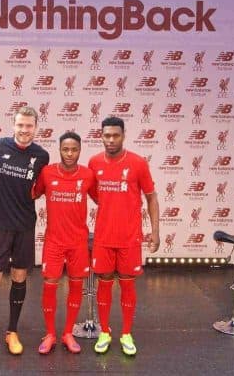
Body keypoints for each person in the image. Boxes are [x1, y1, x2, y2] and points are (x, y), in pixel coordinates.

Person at [0, 106, 49, 361]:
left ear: (36, 127)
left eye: (29, 126)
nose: (24, 130)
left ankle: (12, 332)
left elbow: (42, 187)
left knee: (19, 278)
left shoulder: (42, 156)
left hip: (25, 226)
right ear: (13, 125)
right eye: (20, 125)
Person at [88, 116, 160, 356]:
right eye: (106, 135)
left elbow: (151, 197)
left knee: (128, 284)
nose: (110, 140)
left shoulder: (138, 163)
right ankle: (105, 332)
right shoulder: (94, 162)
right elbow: (95, 194)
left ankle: (126, 333)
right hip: (104, 238)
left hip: (130, 238)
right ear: (101, 136)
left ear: (123, 135)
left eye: (115, 135)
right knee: (105, 283)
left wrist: (156, 232)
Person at [32, 132, 95, 354]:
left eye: (74, 149)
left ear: (80, 150)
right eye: (65, 149)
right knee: (50, 284)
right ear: (59, 149)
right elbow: (31, 194)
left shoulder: (88, 175)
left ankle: (68, 333)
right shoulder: (47, 173)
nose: (69, 154)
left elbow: (102, 199)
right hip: (54, 241)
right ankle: (50, 334)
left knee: (76, 284)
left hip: (78, 242)